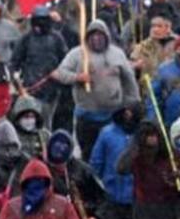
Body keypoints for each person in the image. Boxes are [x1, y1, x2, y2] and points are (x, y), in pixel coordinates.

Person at [52, 18, 140, 156]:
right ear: (88, 36)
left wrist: (132, 106)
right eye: (94, 35)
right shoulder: (78, 54)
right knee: (89, 154)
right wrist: (77, 77)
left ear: (106, 35)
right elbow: (59, 73)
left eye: (100, 35)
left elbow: (130, 82)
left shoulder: (117, 54)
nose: (97, 39)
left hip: (114, 116)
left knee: (113, 153)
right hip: (87, 117)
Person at [89, 103, 140, 219]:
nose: (128, 116)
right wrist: (97, 186)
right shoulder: (107, 134)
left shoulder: (141, 135)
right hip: (112, 196)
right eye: (124, 112)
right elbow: (96, 163)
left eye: (131, 112)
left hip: (137, 197)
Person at [11, 6, 69, 131]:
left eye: (43, 20)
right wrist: (19, 87)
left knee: (46, 124)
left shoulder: (56, 38)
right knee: (31, 124)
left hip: (52, 90)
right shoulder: (26, 39)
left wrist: (59, 73)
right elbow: (14, 63)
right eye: (37, 21)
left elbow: (66, 61)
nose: (40, 25)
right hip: (31, 90)